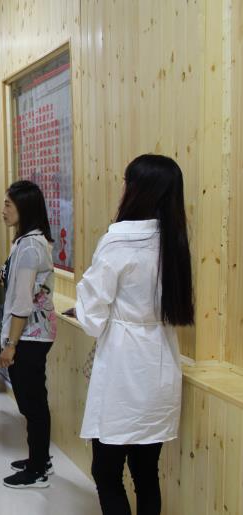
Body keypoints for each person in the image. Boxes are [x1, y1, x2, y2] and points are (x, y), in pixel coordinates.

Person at [75, 154, 194, 514]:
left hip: (123, 365)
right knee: (145, 471)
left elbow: (92, 317)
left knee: (106, 470)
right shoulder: (174, 242)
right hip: (160, 362)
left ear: (137, 189)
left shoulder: (118, 240)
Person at [0, 180, 57, 489]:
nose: (3, 210)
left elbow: (22, 301)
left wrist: (11, 344)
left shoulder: (31, 247)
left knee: (32, 403)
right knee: (32, 401)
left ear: (25, 208)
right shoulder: (26, 242)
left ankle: (37, 470)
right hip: (30, 332)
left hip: (29, 335)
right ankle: (39, 458)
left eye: (8, 204)